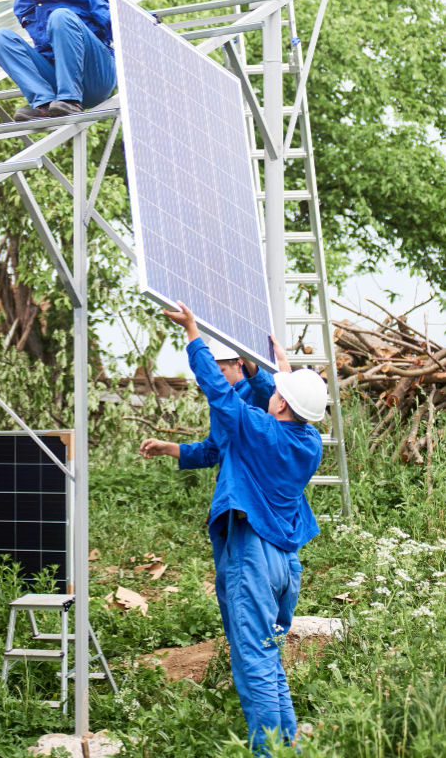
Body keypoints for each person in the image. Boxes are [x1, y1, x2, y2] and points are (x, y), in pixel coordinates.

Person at [140, 303, 326, 753]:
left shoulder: (257, 428)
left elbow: (220, 396)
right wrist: (281, 369)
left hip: (254, 556)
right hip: (285, 560)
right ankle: (287, 747)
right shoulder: (309, 441)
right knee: (268, 654)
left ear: (279, 402)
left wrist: (191, 334)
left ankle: (267, 752)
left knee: (254, 660)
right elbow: (277, 401)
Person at [0, 0, 117, 122]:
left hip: (95, 76)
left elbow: (112, 20)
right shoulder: (22, 5)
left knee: (60, 16)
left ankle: (70, 99)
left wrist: (144, 22)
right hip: (57, 80)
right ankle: (43, 104)